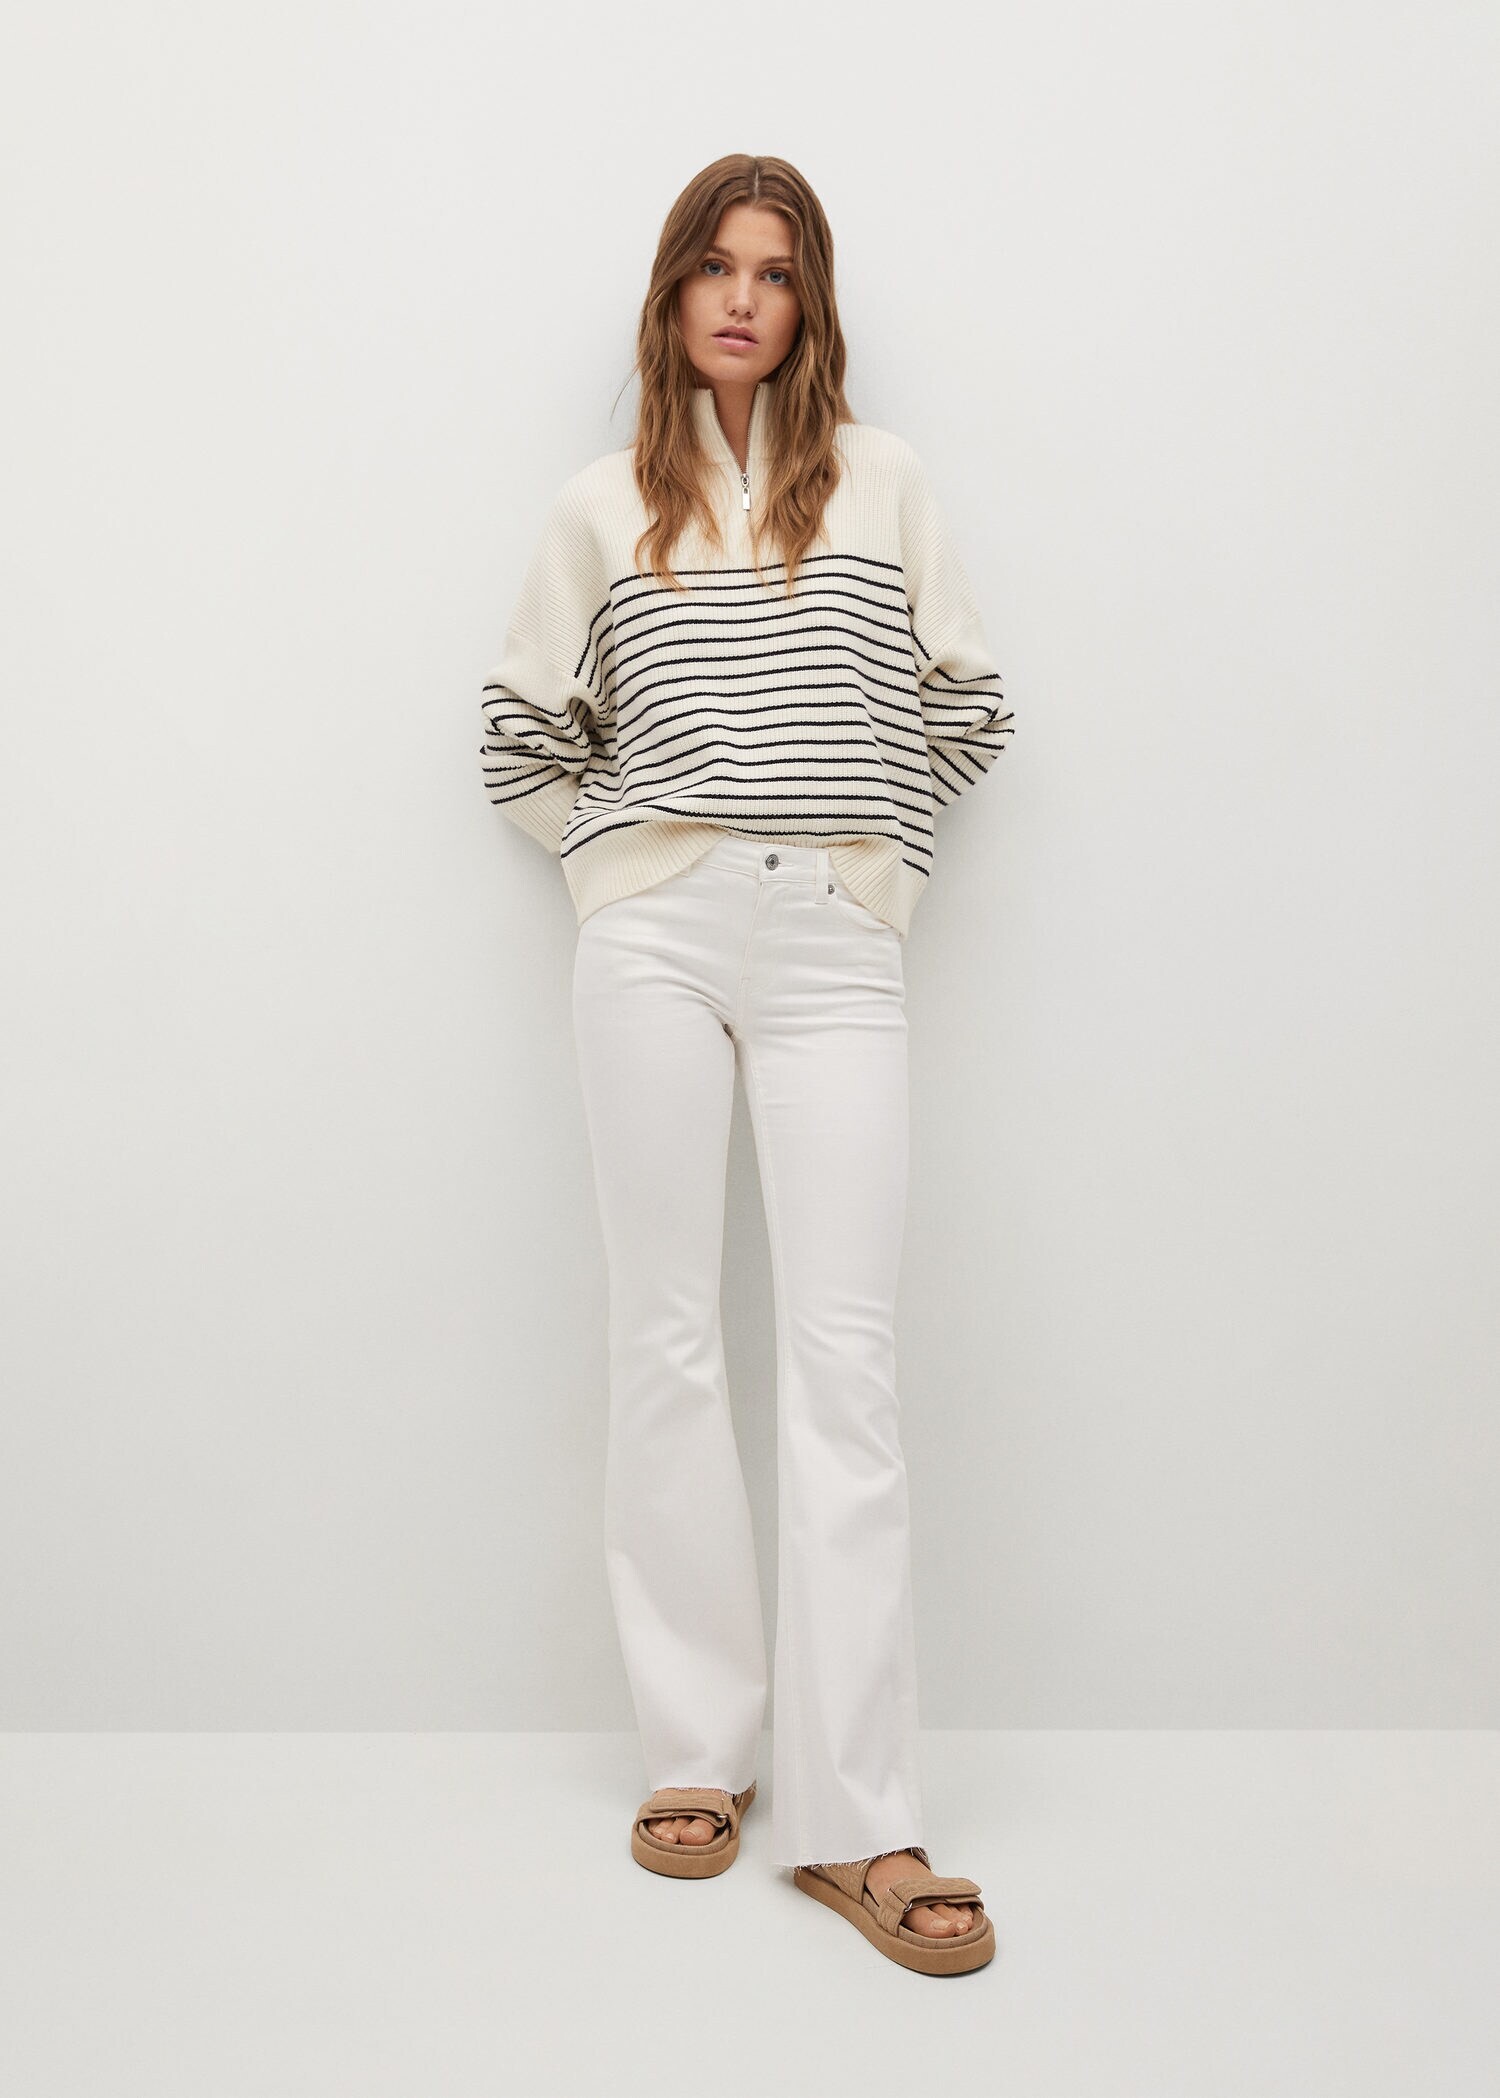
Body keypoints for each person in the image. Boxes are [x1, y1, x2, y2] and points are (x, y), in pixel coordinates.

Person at [479, 154, 1011, 1976]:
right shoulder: (599, 507)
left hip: (833, 941)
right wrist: (620, 864)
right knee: (667, 1333)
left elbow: (971, 703)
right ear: (673, 293)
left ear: (809, 304)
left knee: (845, 1361)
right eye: (715, 265)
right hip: (653, 936)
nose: (742, 297)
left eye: (775, 272)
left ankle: (860, 1820)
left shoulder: (884, 483)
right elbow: (518, 732)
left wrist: (876, 865)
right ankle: (697, 1751)